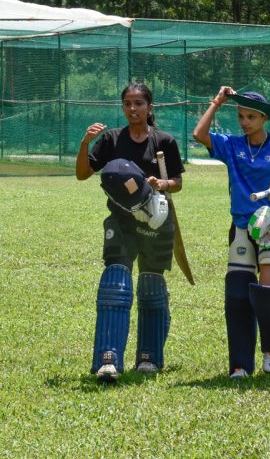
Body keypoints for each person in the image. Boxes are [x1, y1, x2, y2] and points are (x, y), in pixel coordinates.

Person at [193, 87, 270, 378]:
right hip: (243, 225)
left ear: (264, 118)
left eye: (251, 117)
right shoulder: (232, 146)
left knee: (267, 288)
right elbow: (199, 135)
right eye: (241, 116)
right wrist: (217, 102)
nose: (244, 122)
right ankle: (240, 364)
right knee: (237, 294)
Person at [76, 82, 184, 382]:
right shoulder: (111, 139)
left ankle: (149, 358)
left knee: (151, 288)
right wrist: (86, 143)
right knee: (115, 284)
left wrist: (161, 184)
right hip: (121, 222)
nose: (132, 109)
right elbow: (83, 174)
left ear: (150, 107)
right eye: (127, 103)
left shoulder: (164, 141)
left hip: (155, 222)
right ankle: (107, 360)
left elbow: (177, 181)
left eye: (138, 103)